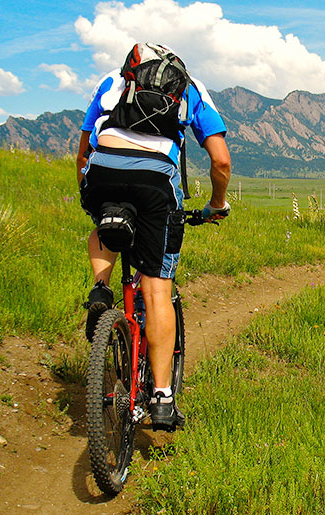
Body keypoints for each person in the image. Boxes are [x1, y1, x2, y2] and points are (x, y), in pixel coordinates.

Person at [76, 43, 231, 428]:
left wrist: (89, 191)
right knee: (158, 288)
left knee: (102, 226)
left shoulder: (111, 81)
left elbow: (83, 149)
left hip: (102, 169)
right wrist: (217, 203)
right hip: (155, 181)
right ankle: (162, 397)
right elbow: (221, 159)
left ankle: (100, 288)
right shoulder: (190, 87)